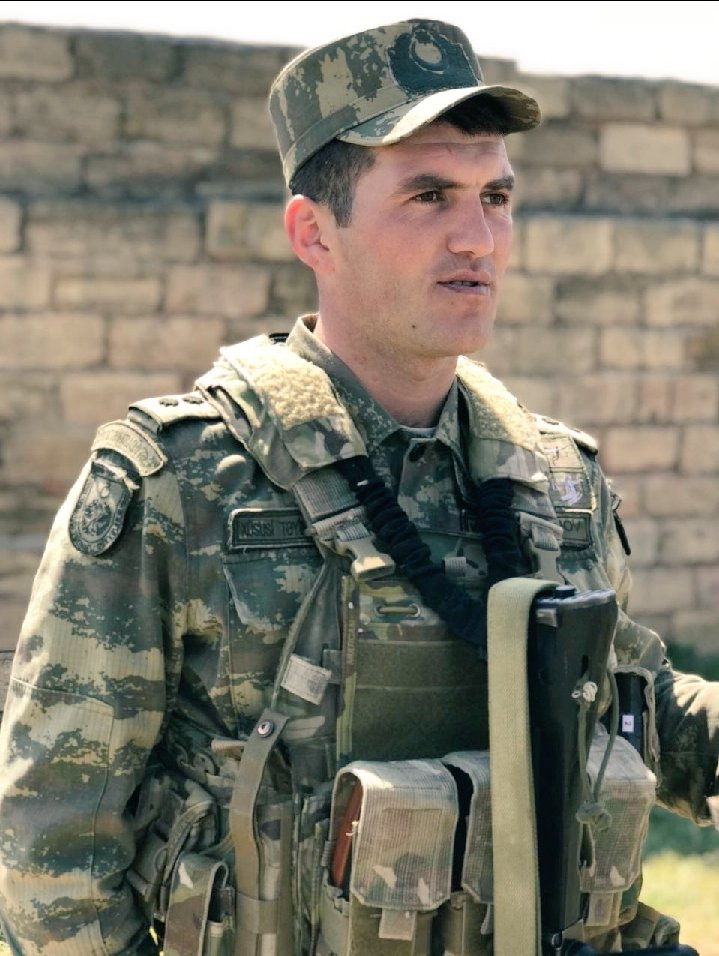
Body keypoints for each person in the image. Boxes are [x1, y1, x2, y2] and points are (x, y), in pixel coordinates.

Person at [0, 17, 717, 956]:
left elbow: (630, 705)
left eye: (495, 196)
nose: (478, 237)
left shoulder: (552, 480)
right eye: (427, 196)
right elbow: (53, 841)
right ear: (314, 232)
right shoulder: (181, 481)